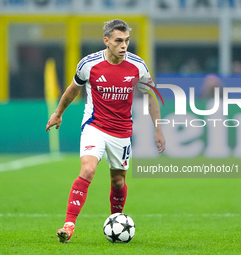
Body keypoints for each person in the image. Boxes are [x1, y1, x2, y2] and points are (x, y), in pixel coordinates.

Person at [45, 19, 166, 243]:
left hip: (122, 132)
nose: (124, 46)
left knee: (118, 182)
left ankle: (115, 221)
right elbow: (72, 90)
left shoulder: (138, 66)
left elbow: (151, 96)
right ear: (106, 41)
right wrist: (58, 112)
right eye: (119, 41)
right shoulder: (89, 64)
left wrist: (158, 129)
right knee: (88, 170)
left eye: (127, 41)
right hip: (95, 126)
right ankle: (68, 225)